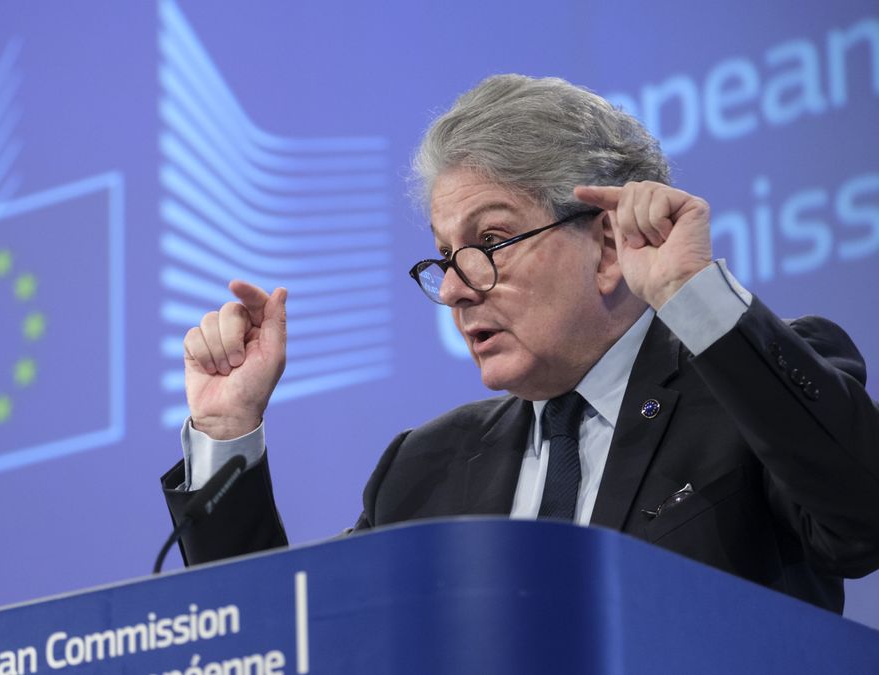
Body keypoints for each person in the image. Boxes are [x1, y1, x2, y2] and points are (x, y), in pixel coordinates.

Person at [159, 74, 879, 612]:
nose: (452, 288)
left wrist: (697, 298)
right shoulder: (423, 471)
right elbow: (295, 646)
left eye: (490, 242)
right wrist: (226, 432)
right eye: (444, 255)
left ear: (606, 246)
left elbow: (861, 522)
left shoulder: (745, 392)